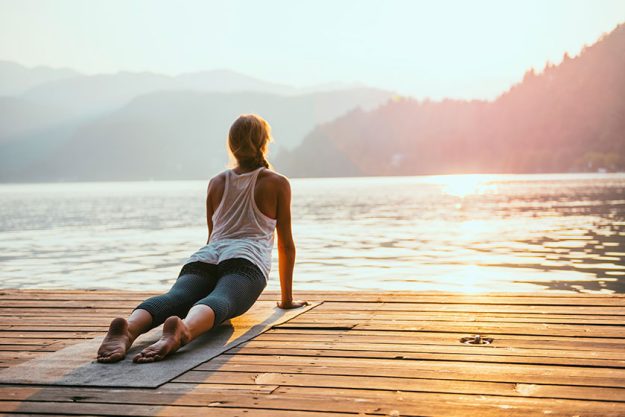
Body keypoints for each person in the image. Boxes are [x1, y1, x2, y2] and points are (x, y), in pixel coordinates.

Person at [96, 114, 307, 364]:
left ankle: (129, 328)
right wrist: (286, 300)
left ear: (232, 145)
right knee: (221, 300)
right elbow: (285, 245)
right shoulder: (277, 183)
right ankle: (183, 330)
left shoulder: (216, 182)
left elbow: (212, 235)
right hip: (245, 262)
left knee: (173, 298)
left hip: (205, 258)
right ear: (264, 143)